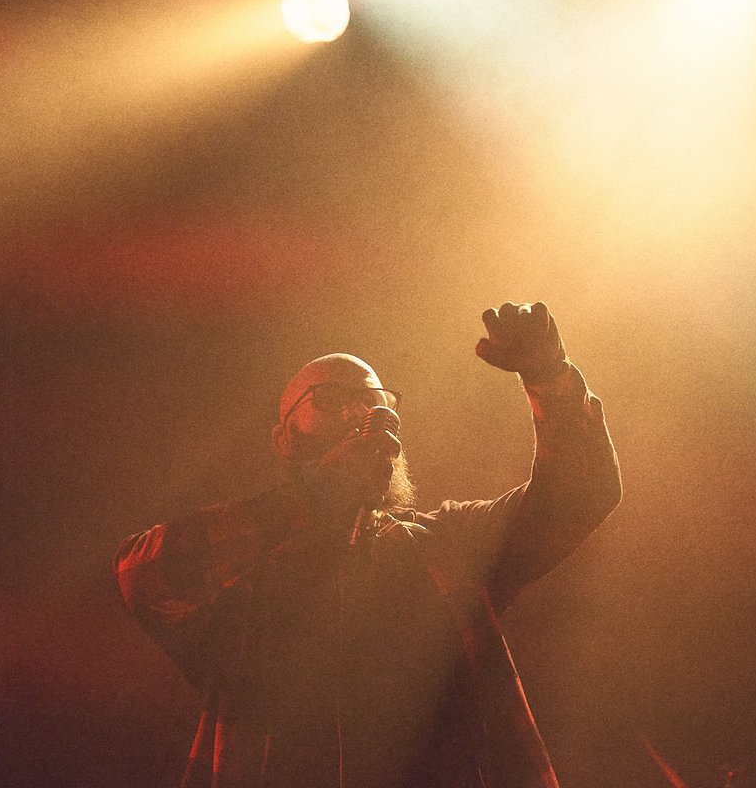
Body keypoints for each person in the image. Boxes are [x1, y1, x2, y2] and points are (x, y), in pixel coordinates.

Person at [114, 302, 622, 788]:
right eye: (331, 398)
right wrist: (318, 496)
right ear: (284, 438)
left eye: (376, 401)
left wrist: (550, 378)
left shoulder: (444, 546)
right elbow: (142, 576)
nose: (363, 412)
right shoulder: (245, 579)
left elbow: (580, 495)